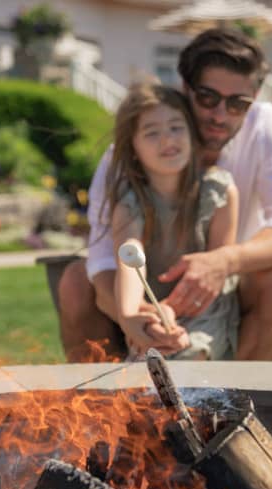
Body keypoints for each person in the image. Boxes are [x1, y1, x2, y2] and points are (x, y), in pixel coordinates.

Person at [59, 28, 272, 361]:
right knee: (75, 281)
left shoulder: (264, 129)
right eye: (208, 98)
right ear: (186, 88)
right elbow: (106, 255)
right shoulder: (128, 153)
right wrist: (133, 314)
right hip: (143, 289)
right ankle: (101, 408)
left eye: (237, 103)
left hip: (232, 291)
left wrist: (222, 261)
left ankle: (243, 403)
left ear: (255, 97)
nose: (220, 115)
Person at [107, 81, 239, 360]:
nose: (167, 140)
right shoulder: (130, 203)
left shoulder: (219, 191)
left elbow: (216, 272)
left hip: (205, 306)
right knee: (150, 371)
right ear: (133, 146)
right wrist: (130, 314)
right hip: (152, 309)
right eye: (152, 133)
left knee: (191, 357)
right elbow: (130, 260)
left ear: (192, 134)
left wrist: (174, 314)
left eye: (176, 128)